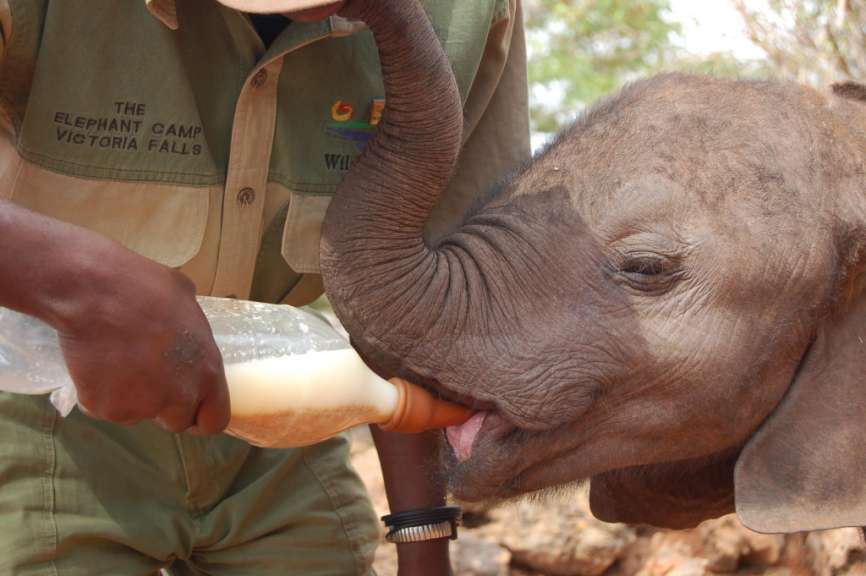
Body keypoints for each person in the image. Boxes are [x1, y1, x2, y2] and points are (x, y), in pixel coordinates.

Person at [0, 0, 530, 573]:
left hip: (283, 422)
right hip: (38, 403)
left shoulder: (469, 12)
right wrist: (82, 286)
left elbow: (414, 298)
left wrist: (423, 542)